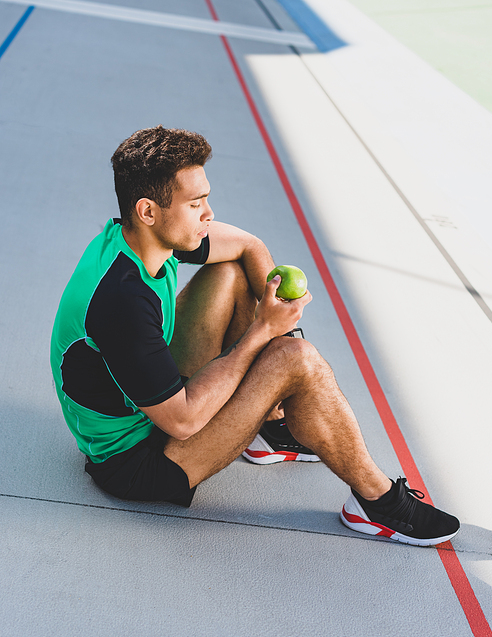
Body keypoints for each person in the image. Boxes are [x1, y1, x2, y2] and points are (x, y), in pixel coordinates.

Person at [50, 125, 460, 547]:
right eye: (195, 203)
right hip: (136, 459)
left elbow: (249, 246)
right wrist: (267, 338)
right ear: (148, 210)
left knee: (229, 273)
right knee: (296, 359)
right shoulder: (121, 300)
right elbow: (183, 421)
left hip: (151, 403)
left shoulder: (138, 237)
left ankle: (271, 425)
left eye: (205, 197)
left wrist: (278, 333)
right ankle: (377, 503)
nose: (208, 213)